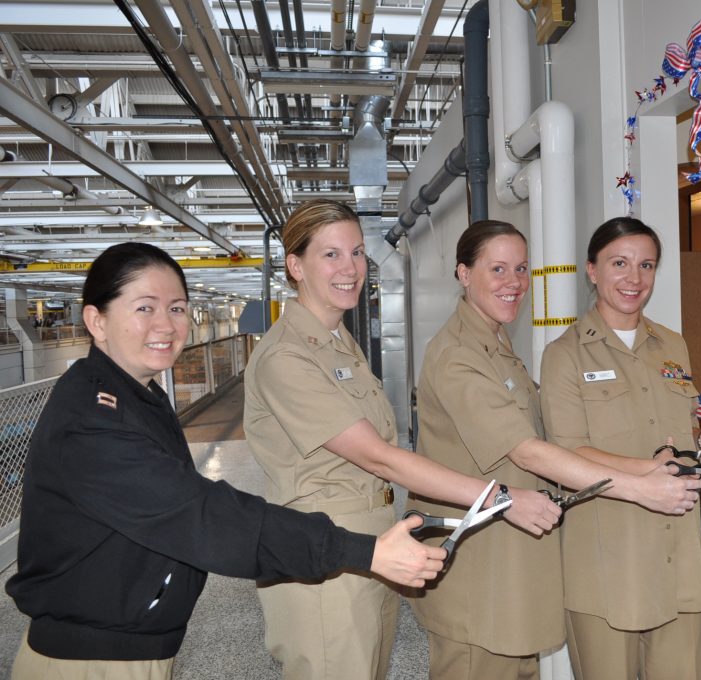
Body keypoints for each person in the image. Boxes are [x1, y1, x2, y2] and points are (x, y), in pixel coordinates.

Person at [4, 242, 445, 680]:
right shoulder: (91, 421)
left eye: (177, 308)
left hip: (125, 646)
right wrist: (362, 551)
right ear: (96, 320)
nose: (166, 325)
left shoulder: (137, 396)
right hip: (89, 662)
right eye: (144, 308)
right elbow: (202, 515)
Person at [243, 201, 560, 680]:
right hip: (321, 552)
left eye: (356, 252)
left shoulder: (338, 344)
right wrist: (501, 498)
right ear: (295, 266)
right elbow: (380, 458)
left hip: (370, 543)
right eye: (331, 255)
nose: (350, 268)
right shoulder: (286, 357)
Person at [409, 219, 701, 680]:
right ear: (464, 273)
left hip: (516, 556)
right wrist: (642, 484)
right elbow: (531, 450)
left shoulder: (498, 346)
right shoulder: (461, 354)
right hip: (480, 563)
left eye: (521, 269)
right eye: (498, 269)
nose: (513, 282)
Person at [540, 216, 701, 680]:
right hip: (608, 562)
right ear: (592, 270)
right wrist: (649, 468)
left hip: (677, 555)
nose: (635, 278)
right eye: (619, 263)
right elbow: (566, 450)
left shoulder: (672, 345)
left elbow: (682, 435)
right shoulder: (564, 354)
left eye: (647, 265)